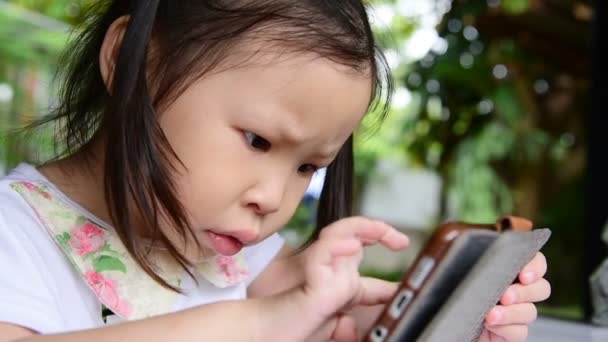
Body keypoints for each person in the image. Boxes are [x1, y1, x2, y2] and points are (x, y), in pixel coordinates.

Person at [0, 1, 550, 341]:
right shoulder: (15, 236)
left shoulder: (243, 257)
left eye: (308, 167)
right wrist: (257, 327)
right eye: (258, 140)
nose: (274, 199)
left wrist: (451, 319)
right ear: (130, 63)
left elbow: (328, 322)